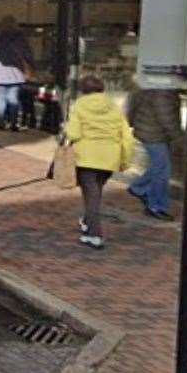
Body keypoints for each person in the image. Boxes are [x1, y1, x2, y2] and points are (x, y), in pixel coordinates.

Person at [63, 75, 135, 249]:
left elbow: (74, 134)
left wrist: (65, 128)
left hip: (86, 156)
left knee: (92, 195)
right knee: (95, 192)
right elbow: (127, 137)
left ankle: (95, 235)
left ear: (83, 90)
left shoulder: (79, 105)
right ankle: (87, 221)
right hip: (109, 157)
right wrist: (125, 160)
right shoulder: (114, 107)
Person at [124, 85, 184, 220]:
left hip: (148, 130)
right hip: (153, 134)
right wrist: (179, 138)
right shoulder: (163, 92)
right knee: (162, 169)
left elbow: (132, 106)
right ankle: (156, 206)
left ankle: (139, 188)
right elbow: (167, 119)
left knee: (159, 166)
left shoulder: (151, 85)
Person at [0, 17, 34, 132]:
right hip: (16, 74)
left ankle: (1, 122)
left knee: (1, 99)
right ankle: (13, 123)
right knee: (13, 98)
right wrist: (31, 67)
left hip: (0, 73)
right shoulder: (21, 39)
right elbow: (28, 55)